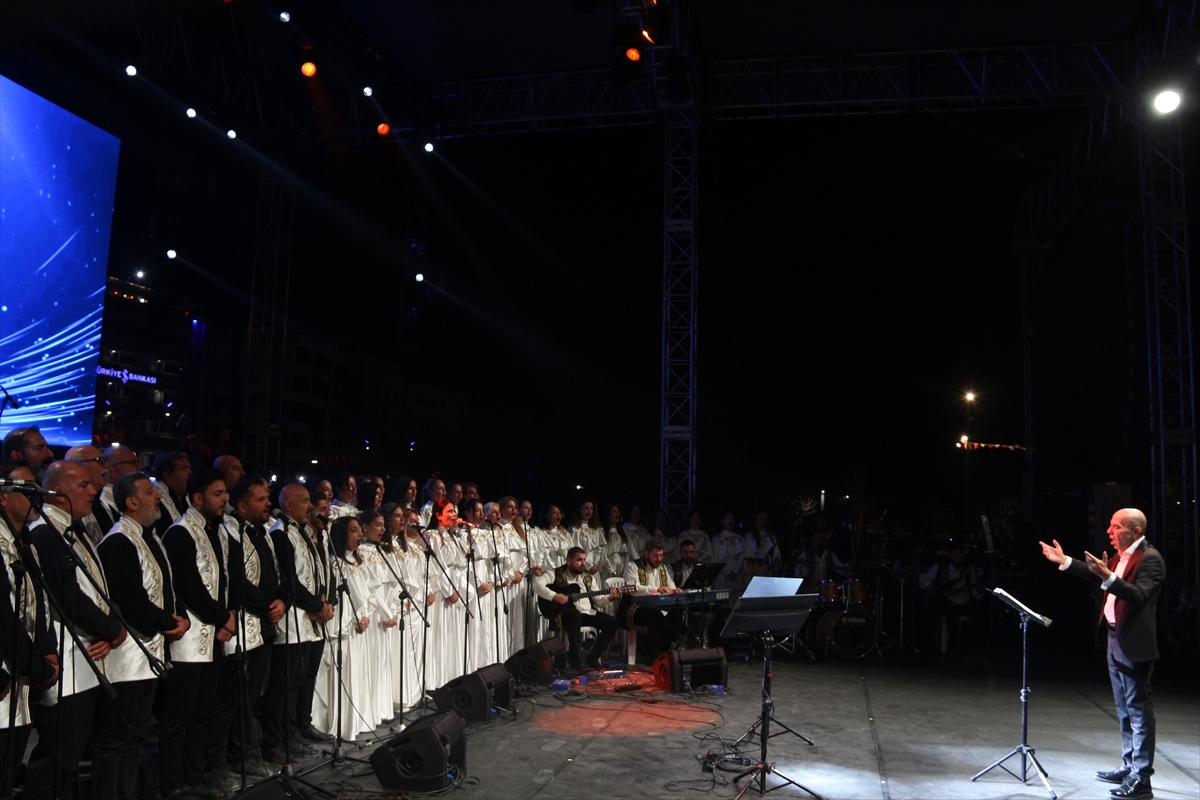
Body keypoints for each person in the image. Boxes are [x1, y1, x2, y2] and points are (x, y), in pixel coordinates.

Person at [1039, 509, 1165, 800]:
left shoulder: (1150, 559)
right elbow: (1100, 577)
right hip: (1113, 638)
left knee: (1139, 711)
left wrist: (1108, 574)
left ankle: (1142, 778)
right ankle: (1129, 764)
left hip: (1133, 643)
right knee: (1123, 709)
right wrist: (1066, 561)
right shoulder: (1122, 555)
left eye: (1116, 526)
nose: (1109, 530)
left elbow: (1137, 595)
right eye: (1109, 525)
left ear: (1135, 532)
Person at [26, 460, 127, 799]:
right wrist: (112, 629)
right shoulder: (45, 532)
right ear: (58, 491)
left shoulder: (69, 529)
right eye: (83, 485)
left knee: (68, 755)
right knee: (58, 755)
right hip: (67, 661)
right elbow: (68, 595)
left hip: (85, 659)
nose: (94, 490)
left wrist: (107, 630)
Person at [94, 471, 190, 800]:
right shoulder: (119, 540)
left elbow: (164, 587)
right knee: (117, 736)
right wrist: (168, 621)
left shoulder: (149, 536)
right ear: (132, 502)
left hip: (149, 652)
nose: (159, 496)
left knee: (136, 733)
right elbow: (131, 600)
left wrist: (179, 619)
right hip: (128, 654)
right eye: (150, 492)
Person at [159, 469, 236, 799]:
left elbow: (225, 579)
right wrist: (222, 618)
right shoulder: (180, 533)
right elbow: (189, 586)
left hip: (214, 637)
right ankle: (173, 784)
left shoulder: (216, 531)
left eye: (225, 493)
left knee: (204, 712)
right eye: (219, 493)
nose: (226, 499)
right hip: (190, 640)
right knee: (180, 717)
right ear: (198, 498)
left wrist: (227, 614)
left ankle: (197, 776)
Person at [210, 476, 282, 781]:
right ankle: (221, 762)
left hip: (263, 624)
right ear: (241, 506)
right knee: (230, 699)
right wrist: (268, 602)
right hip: (241, 624)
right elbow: (234, 581)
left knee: (252, 697)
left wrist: (281, 600)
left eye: (268, 498)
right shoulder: (229, 533)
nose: (268, 504)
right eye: (261, 499)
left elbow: (275, 574)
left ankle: (248, 754)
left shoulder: (263, 533)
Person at [0, 460, 58, 799]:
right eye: (25, 489)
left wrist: (46, 650)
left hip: (22, 676)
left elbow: (41, 604)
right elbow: (4, 618)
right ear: (3, 497)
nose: (35, 495)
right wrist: (36, 665)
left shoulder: (23, 541)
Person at [264, 485, 332, 764]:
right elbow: (289, 579)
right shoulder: (280, 534)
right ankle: (276, 740)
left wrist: (324, 601)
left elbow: (315, 572)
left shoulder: (302, 533)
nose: (310, 506)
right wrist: (316, 605)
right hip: (292, 622)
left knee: (298, 681)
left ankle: (294, 732)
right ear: (288, 505)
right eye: (304, 501)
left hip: (307, 621)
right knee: (283, 686)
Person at [535, 547, 622, 672]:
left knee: (612, 622)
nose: (583, 564)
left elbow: (598, 600)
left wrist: (610, 598)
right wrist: (554, 596)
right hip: (566, 614)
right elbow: (537, 585)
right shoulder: (555, 573)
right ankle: (575, 662)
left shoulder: (587, 578)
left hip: (586, 613)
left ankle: (592, 658)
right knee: (574, 615)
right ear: (569, 561)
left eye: (585, 560)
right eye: (579, 560)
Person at [621, 541, 682, 661]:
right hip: (634, 608)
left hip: (658, 608)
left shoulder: (662, 568)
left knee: (677, 615)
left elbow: (671, 586)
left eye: (661, 555)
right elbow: (634, 589)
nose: (658, 559)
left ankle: (660, 650)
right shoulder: (633, 566)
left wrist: (675, 590)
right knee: (655, 616)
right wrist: (657, 589)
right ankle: (653, 655)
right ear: (647, 554)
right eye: (655, 556)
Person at [919, 543, 983, 654]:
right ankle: (950, 650)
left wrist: (979, 590)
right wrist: (928, 586)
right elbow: (924, 577)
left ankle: (972, 649)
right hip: (946, 606)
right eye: (957, 557)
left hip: (964, 605)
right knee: (950, 615)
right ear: (950, 557)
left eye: (962, 557)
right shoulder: (939, 568)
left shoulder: (968, 571)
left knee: (979, 616)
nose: (959, 560)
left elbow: (974, 593)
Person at [66, 445, 116, 541]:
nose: (106, 465)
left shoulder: (102, 503)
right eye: (99, 460)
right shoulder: (72, 506)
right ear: (78, 466)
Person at [151, 451, 192, 538]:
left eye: (189, 468)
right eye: (184, 468)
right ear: (167, 475)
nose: (190, 472)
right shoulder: (154, 500)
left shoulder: (189, 498)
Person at [711, 513, 744, 592]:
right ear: (722, 521)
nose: (730, 520)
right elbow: (716, 557)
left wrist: (735, 571)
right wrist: (727, 572)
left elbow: (742, 555)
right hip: (722, 572)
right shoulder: (717, 538)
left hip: (736, 571)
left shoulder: (739, 538)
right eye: (728, 518)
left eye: (732, 518)